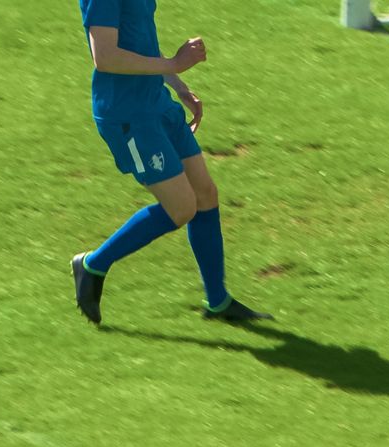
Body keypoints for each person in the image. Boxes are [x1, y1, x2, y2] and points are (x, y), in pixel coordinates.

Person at [70, 0, 269, 327]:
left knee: (205, 194)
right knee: (181, 208)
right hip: (127, 117)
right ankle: (92, 264)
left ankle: (217, 301)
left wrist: (178, 84)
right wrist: (174, 63)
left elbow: (138, 38)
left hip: (156, 104)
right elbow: (104, 57)